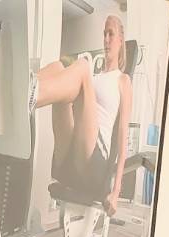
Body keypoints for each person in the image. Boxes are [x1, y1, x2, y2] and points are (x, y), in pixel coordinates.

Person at [33, 14, 133, 216]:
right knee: (59, 67)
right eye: (104, 34)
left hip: (95, 160)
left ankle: (32, 92)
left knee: (81, 66)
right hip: (70, 155)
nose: (106, 39)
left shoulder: (122, 80)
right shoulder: (94, 77)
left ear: (121, 40)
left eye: (111, 34)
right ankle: (26, 88)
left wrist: (115, 192)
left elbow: (123, 138)